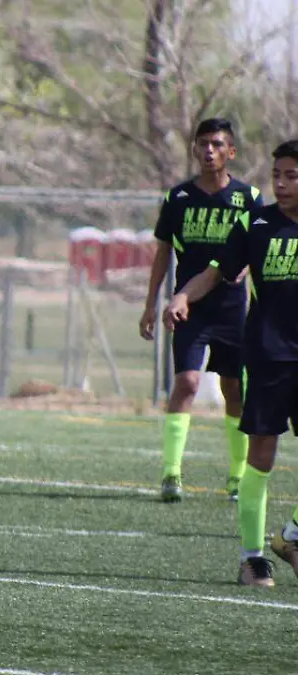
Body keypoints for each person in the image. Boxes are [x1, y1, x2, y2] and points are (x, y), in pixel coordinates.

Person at [164, 139, 298, 587]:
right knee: (263, 455)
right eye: (277, 174)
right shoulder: (255, 223)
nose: (280, 183)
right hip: (268, 356)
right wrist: (183, 294)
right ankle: (254, 557)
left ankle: (292, 535)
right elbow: (216, 271)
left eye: (291, 176)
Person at [140, 118, 263, 503]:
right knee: (187, 383)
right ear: (194, 150)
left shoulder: (249, 198)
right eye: (203, 144)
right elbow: (163, 252)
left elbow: (255, 254)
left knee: (234, 390)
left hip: (232, 310)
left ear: (231, 152)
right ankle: (171, 473)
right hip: (188, 308)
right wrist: (150, 304)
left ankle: (237, 475)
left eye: (217, 144)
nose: (209, 150)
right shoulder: (178, 198)